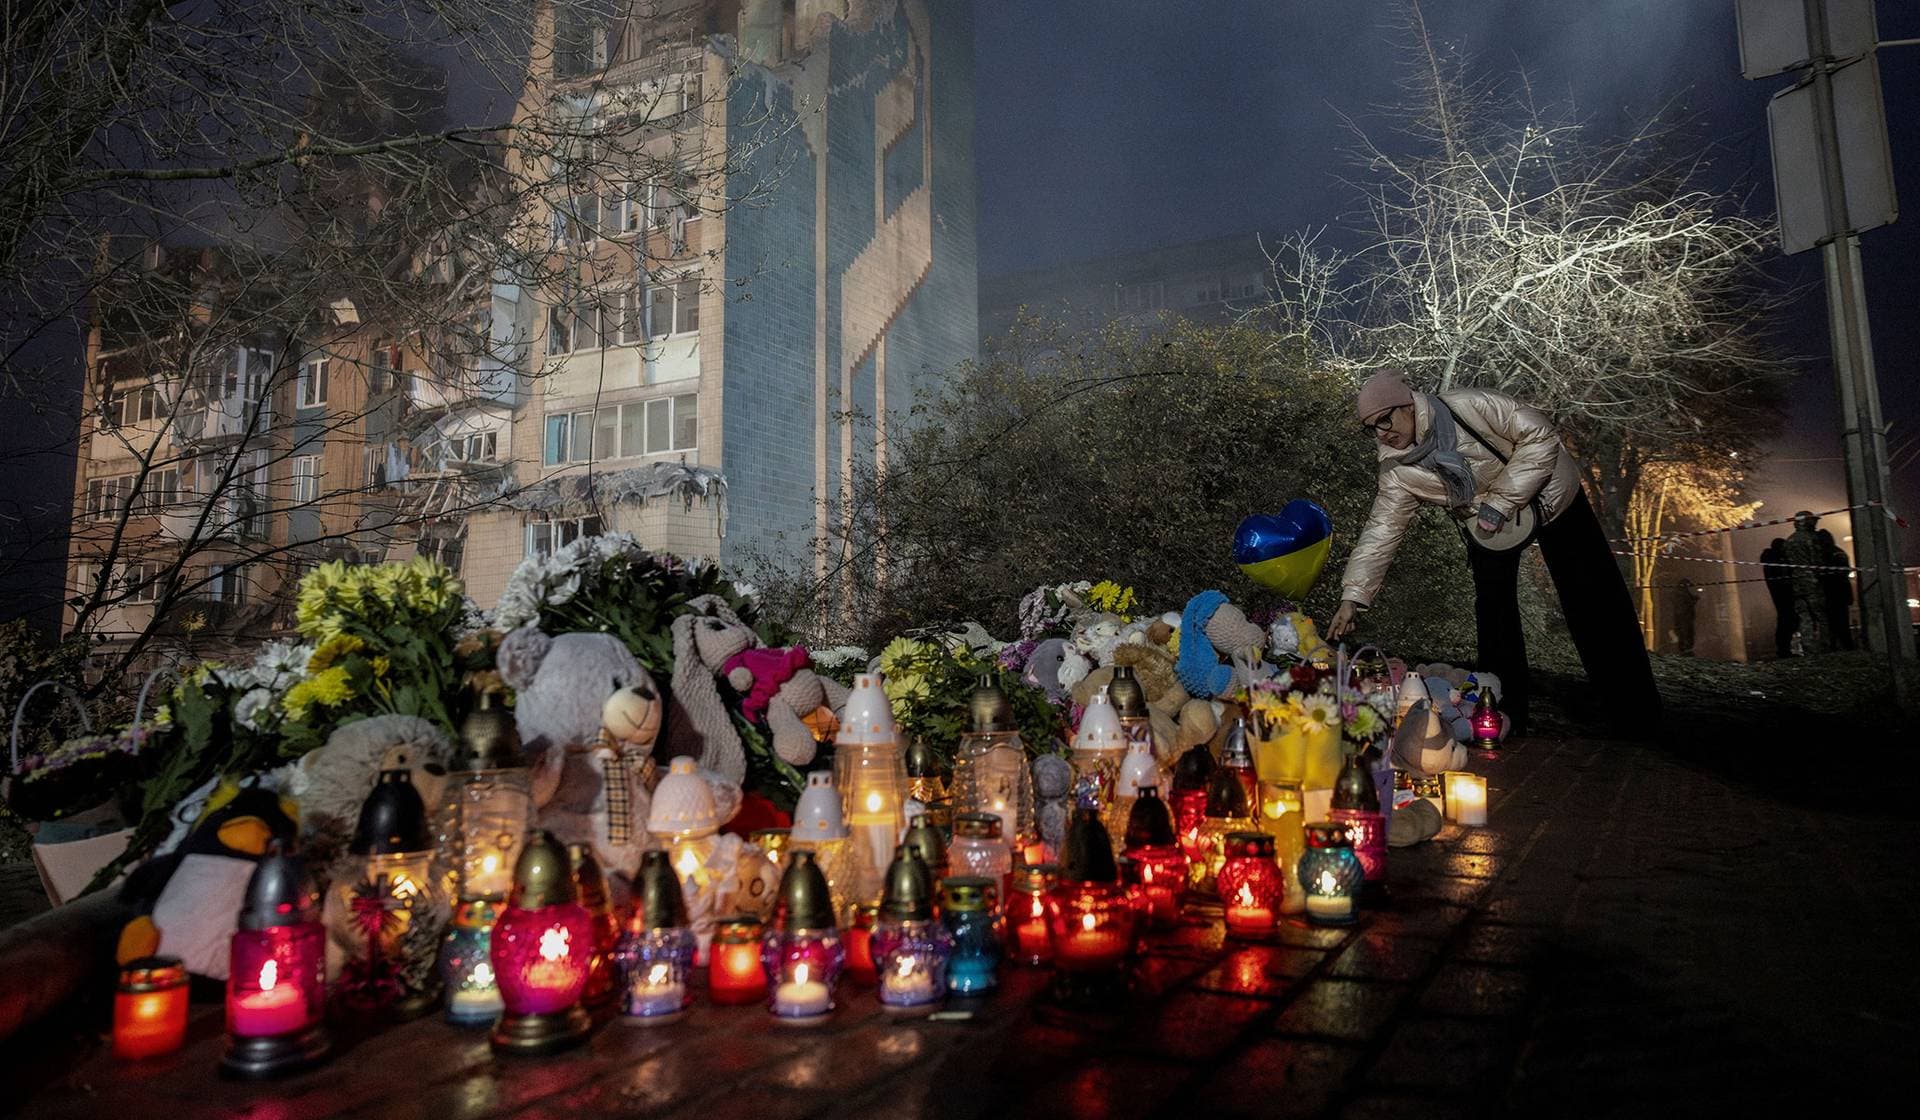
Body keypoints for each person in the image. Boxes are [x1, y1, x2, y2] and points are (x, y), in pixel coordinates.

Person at [1326, 371, 1659, 735]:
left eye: (1385, 419)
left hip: (1552, 497)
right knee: (1493, 610)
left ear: (1406, 404)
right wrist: (1352, 598)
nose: (1382, 433)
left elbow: (1541, 435)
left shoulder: (1469, 405)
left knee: (1593, 597)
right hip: (1487, 527)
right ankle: (1501, 713)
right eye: (1371, 428)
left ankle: (1635, 710)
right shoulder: (1396, 470)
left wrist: (1500, 503)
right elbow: (1382, 531)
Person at [1781, 512, 1827, 654]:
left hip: (1796, 583)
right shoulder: (1811, 539)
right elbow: (1817, 561)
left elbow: (1786, 563)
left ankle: (1808, 647)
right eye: (1812, 521)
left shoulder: (1789, 541)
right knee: (1821, 615)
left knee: (1804, 616)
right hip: (1811, 581)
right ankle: (1827, 645)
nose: (1815, 524)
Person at [1815, 528, 1855, 651]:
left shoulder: (1825, 554)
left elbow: (1825, 573)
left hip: (1831, 593)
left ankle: (1835, 647)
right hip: (1842, 592)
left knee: (1832, 623)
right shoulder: (1839, 552)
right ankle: (1846, 646)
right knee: (1842, 622)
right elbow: (1845, 571)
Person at [1760, 538, 1797, 658]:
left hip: (1781, 594)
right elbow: (1782, 577)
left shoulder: (1771, 559)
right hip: (1783, 594)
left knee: (1786, 620)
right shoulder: (1775, 560)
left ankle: (1784, 649)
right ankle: (1784, 649)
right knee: (1786, 620)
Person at [1672, 577, 1700, 656]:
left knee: (1685, 633)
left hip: (1684, 617)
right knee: (1686, 633)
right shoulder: (1681, 593)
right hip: (1684, 617)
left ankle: (1685, 649)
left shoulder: (1681, 592)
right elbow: (1687, 603)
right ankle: (1686, 650)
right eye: (1687, 585)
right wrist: (1694, 600)